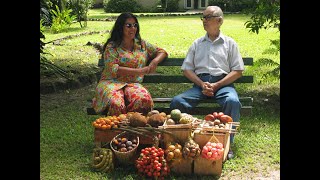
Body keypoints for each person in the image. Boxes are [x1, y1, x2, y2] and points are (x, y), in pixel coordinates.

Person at [169, 6, 244, 159]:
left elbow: (237, 71)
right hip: (199, 84)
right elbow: (187, 69)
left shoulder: (230, 43)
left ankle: (227, 145)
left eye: (208, 17)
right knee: (178, 102)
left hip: (223, 84)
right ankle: (184, 142)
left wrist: (217, 85)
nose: (204, 20)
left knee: (232, 101)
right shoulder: (197, 44)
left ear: (219, 20)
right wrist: (202, 84)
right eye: (203, 17)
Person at [92, 12, 168, 116]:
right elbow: (114, 68)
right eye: (128, 25)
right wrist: (139, 71)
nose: (133, 28)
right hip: (111, 83)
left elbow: (162, 52)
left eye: (135, 25)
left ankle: (135, 128)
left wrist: (155, 61)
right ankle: (117, 130)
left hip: (133, 83)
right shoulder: (112, 47)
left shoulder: (141, 44)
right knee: (117, 104)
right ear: (121, 27)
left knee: (143, 100)